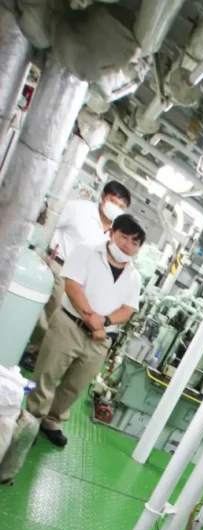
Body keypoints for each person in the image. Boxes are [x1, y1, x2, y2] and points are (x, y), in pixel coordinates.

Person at [27, 214, 145, 448]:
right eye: (124, 237)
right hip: (69, 325)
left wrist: (105, 321)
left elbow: (128, 309)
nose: (128, 245)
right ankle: (31, 421)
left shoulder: (134, 277)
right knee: (46, 374)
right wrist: (93, 320)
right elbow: (72, 286)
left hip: (101, 339)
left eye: (135, 242)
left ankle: (52, 421)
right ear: (112, 233)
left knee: (75, 385)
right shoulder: (86, 252)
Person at [23, 180, 132, 369]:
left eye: (121, 206)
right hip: (58, 266)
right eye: (113, 201)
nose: (116, 208)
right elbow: (49, 224)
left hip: (82, 282)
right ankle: (31, 351)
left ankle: (38, 353)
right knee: (49, 315)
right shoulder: (78, 209)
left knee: (62, 320)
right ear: (103, 197)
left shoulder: (116, 233)